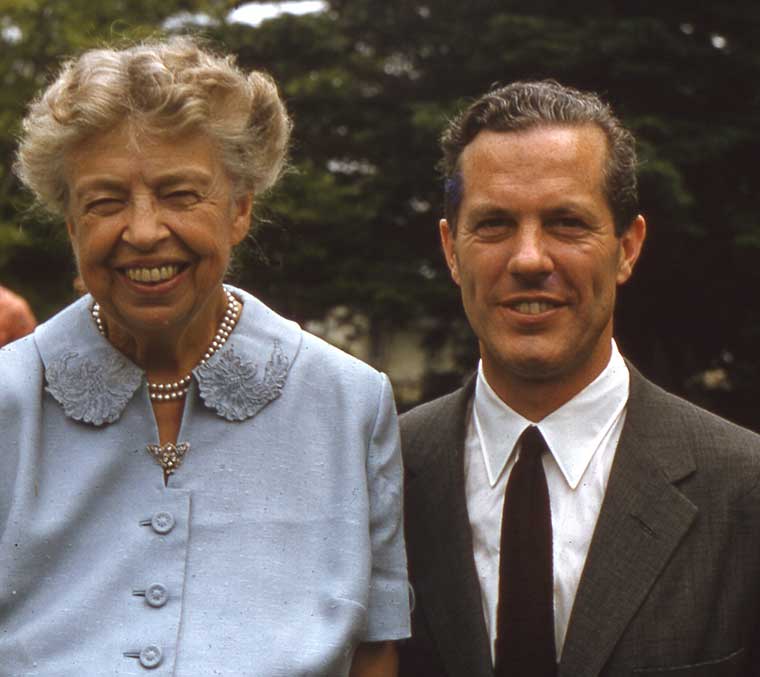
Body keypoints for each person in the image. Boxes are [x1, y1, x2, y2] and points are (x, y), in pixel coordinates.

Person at [0, 37, 409, 676]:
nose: (142, 231)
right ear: (72, 225)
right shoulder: (8, 402)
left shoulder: (349, 402)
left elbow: (376, 650)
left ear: (240, 208)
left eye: (180, 194)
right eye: (105, 202)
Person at [398, 80, 760, 676]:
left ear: (627, 247)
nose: (530, 259)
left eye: (566, 223)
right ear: (451, 249)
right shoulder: (378, 476)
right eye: (494, 224)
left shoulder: (743, 491)